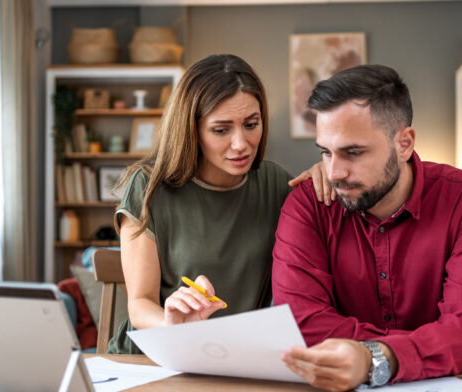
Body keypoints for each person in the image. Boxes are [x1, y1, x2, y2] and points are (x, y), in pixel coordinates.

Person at [273, 64, 462, 390]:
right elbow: (300, 324)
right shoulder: (307, 206)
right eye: (326, 153)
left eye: (353, 152)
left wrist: (374, 357)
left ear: (404, 143)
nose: (334, 173)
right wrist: (432, 346)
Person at [107, 54, 333, 354]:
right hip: (150, 359)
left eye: (251, 124)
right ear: (193, 130)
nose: (241, 143)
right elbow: (139, 305)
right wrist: (173, 324)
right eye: (221, 130)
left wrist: (328, 172)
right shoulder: (148, 187)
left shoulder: (277, 186)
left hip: (229, 359)